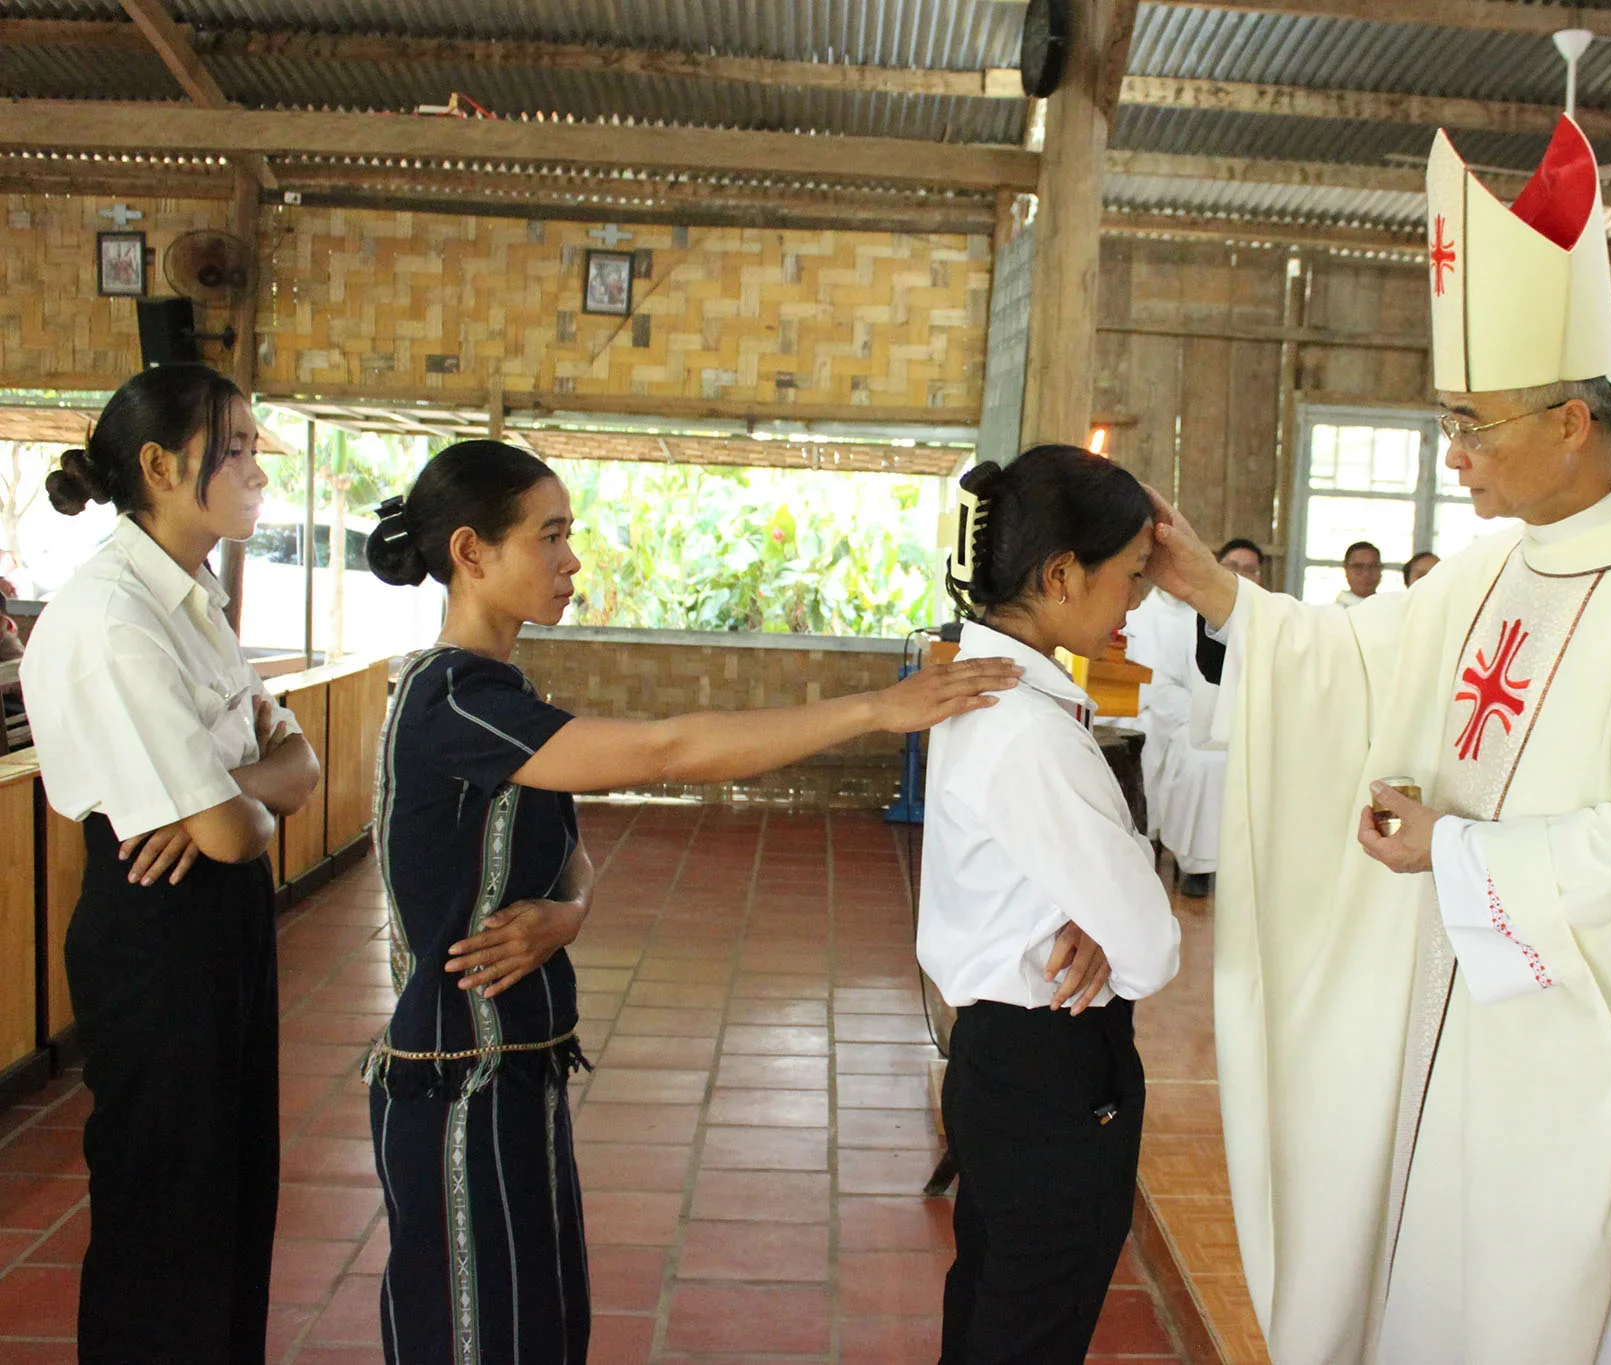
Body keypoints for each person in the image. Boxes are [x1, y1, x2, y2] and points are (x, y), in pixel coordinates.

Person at [1146, 114, 1611, 1364]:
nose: (1455, 458)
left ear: (1569, 421)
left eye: (1473, 426)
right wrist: (1213, 592)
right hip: (1464, 1028)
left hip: (1593, 1069)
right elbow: (1352, 659)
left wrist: (1462, 856)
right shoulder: (1497, 565)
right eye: (1445, 422)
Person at [362, 439, 1022, 1364]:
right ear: (471, 552)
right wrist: (875, 708)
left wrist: (571, 914)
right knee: (475, 1335)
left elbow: (570, 857)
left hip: (514, 1066)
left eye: (571, 535)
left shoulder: (503, 698)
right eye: (548, 537)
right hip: (457, 1078)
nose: (570, 561)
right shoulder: (451, 701)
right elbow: (668, 751)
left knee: (539, 1325)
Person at [19, 364, 323, 1363]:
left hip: (219, 919)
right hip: (156, 922)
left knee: (232, 1186)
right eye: (232, 448)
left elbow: (298, 763)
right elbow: (239, 829)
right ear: (158, 464)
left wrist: (242, 792)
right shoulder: (114, 618)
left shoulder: (187, 593)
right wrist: (246, 800)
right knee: (167, 1202)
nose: (257, 471)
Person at [920, 445, 1182, 1364]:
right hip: (1054, 1067)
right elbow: (1150, 947)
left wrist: (1097, 901)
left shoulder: (982, 688)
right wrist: (1112, 913)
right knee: (1032, 1322)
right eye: (1130, 577)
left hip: (1001, 1057)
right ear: (1062, 573)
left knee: (995, 1300)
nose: (1136, 604)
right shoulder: (1029, 728)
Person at [1125, 538, 1264, 899]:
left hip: (1198, 715)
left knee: (1206, 761)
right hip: (1138, 709)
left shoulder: (1212, 615)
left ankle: (1200, 865)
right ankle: (1146, 849)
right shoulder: (1134, 610)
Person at [1335, 540, 1381, 606]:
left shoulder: (1391, 607)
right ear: (1346, 569)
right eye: (1358, 567)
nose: (1366, 573)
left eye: (1373, 566)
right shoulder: (1334, 612)